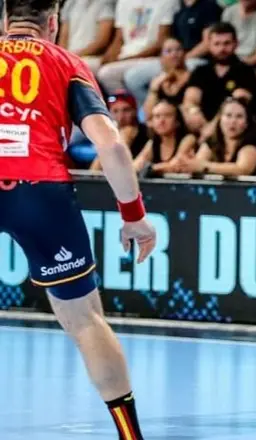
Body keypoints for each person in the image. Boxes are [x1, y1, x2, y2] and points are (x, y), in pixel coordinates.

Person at [0, 1, 157, 439]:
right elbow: (111, 146)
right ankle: (130, 436)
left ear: (5, 20)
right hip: (39, 190)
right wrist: (133, 216)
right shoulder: (66, 64)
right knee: (85, 320)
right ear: (53, 23)